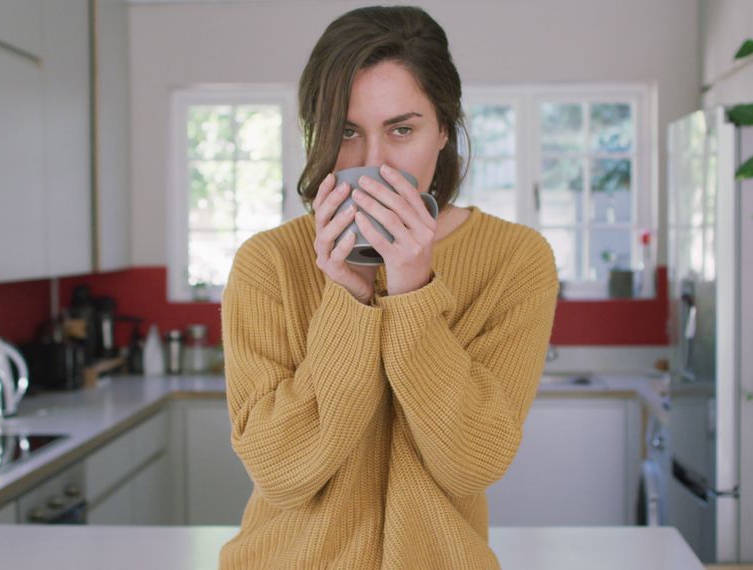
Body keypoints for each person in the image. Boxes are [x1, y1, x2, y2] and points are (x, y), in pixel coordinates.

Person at [219, 6, 559, 568]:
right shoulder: (268, 263)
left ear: (444, 131)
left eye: (402, 129)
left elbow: (471, 464)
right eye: (347, 132)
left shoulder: (515, 260)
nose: (373, 164)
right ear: (317, 134)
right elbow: (281, 473)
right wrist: (349, 297)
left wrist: (412, 290)